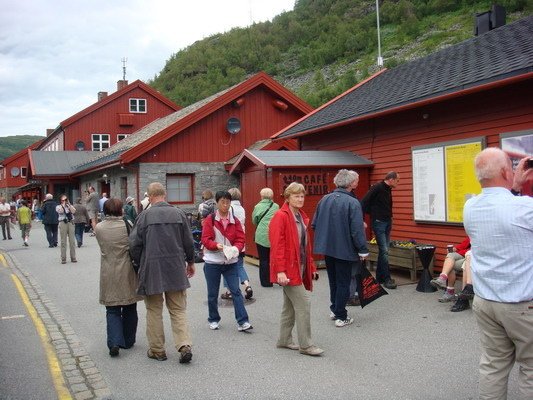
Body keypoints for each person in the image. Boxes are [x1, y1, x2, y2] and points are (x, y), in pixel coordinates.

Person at [463, 149, 533, 399]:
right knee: (531, 368)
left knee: (493, 365)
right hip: (521, 305)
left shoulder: (470, 206)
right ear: (506, 171)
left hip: (486, 301)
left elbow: (502, 209)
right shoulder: (525, 207)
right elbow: (513, 211)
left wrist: (514, 185)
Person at [129, 182, 195, 364]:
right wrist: (190, 261)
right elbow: (189, 242)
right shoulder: (179, 213)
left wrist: (138, 263)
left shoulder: (144, 217)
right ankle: (184, 345)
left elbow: (134, 245)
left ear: (150, 197)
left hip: (152, 269)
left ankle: (157, 349)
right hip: (175, 267)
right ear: (164, 195)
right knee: (178, 309)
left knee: (154, 310)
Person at [269, 182, 323, 356]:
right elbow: (277, 246)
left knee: (290, 306)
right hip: (288, 269)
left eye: (302, 196)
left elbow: (305, 246)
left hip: (299, 266)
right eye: (296, 196)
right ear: (288, 197)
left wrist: (312, 266)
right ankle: (306, 345)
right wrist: (280, 271)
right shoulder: (281, 216)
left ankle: (284, 340)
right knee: (303, 303)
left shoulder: (300, 216)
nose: (300, 199)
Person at [312, 169, 369, 328]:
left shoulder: (324, 199)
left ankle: (334, 309)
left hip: (327, 247)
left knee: (334, 281)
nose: (356, 182)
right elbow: (357, 230)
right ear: (351, 184)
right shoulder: (353, 202)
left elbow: (315, 224)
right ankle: (341, 315)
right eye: (355, 180)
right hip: (345, 249)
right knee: (343, 282)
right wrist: (363, 249)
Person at [95, 198, 143, 358]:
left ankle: (115, 342)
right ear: (119, 210)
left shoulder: (99, 228)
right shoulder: (127, 225)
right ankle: (128, 340)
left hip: (108, 269)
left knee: (112, 308)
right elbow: (134, 243)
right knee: (130, 305)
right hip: (127, 269)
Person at [201, 190, 252, 332]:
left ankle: (243, 321)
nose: (225, 205)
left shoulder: (234, 220)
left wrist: (236, 248)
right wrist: (215, 246)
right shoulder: (210, 220)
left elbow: (241, 238)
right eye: (222, 202)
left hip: (230, 262)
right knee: (212, 293)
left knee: (236, 291)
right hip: (212, 262)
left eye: (228, 202)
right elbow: (205, 239)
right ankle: (213, 319)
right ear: (217, 203)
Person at [360, 171, 400, 289]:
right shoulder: (377, 188)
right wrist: (366, 218)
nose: (398, 183)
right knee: (385, 250)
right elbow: (364, 203)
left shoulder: (388, 189)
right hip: (379, 222)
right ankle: (387, 278)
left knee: (384, 250)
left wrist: (390, 217)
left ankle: (379, 277)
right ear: (391, 179)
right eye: (397, 180)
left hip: (387, 221)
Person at [220, 187, 253, 300]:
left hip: (230, 241)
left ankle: (229, 291)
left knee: (227, 266)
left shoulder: (229, 208)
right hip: (241, 241)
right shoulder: (241, 208)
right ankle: (247, 285)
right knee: (239, 265)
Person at [252, 188, 279, 287]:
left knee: (264, 259)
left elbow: (254, 221)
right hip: (274, 234)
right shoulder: (276, 206)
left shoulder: (258, 206)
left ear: (262, 196)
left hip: (261, 236)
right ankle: (278, 278)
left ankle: (266, 282)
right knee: (275, 258)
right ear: (271, 196)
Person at [430, 237, 471, 302]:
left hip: (471, 257)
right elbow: (464, 244)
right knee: (450, 254)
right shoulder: (473, 233)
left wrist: (459, 251)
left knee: (450, 266)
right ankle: (442, 278)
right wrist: (455, 249)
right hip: (463, 254)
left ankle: (449, 292)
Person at [56, 194, 77, 264]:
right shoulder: (58, 206)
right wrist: (63, 205)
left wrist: (69, 205)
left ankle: (73, 257)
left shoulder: (70, 205)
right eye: (63, 200)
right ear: (60, 200)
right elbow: (61, 211)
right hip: (63, 223)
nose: (64, 201)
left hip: (70, 222)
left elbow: (74, 211)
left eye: (66, 199)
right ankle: (63, 258)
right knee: (63, 241)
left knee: (72, 241)